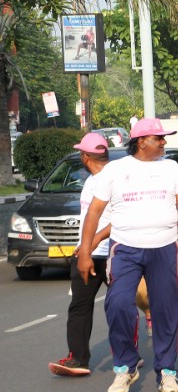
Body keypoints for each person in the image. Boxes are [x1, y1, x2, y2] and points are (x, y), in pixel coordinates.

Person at [78, 118, 178, 392]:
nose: (164, 142)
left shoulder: (171, 167)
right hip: (126, 249)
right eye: (159, 139)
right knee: (118, 303)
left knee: (165, 311)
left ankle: (167, 372)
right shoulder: (115, 171)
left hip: (164, 248)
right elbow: (94, 213)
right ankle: (125, 367)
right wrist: (85, 252)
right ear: (142, 141)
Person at [49, 133, 112, 377]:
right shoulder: (90, 181)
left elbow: (122, 217)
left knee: (119, 307)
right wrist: (83, 247)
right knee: (80, 306)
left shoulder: (114, 179)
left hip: (113, 254)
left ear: (85, 157)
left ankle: (128, 355)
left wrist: (96, 239)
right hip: (87, 255)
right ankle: (78, 358)